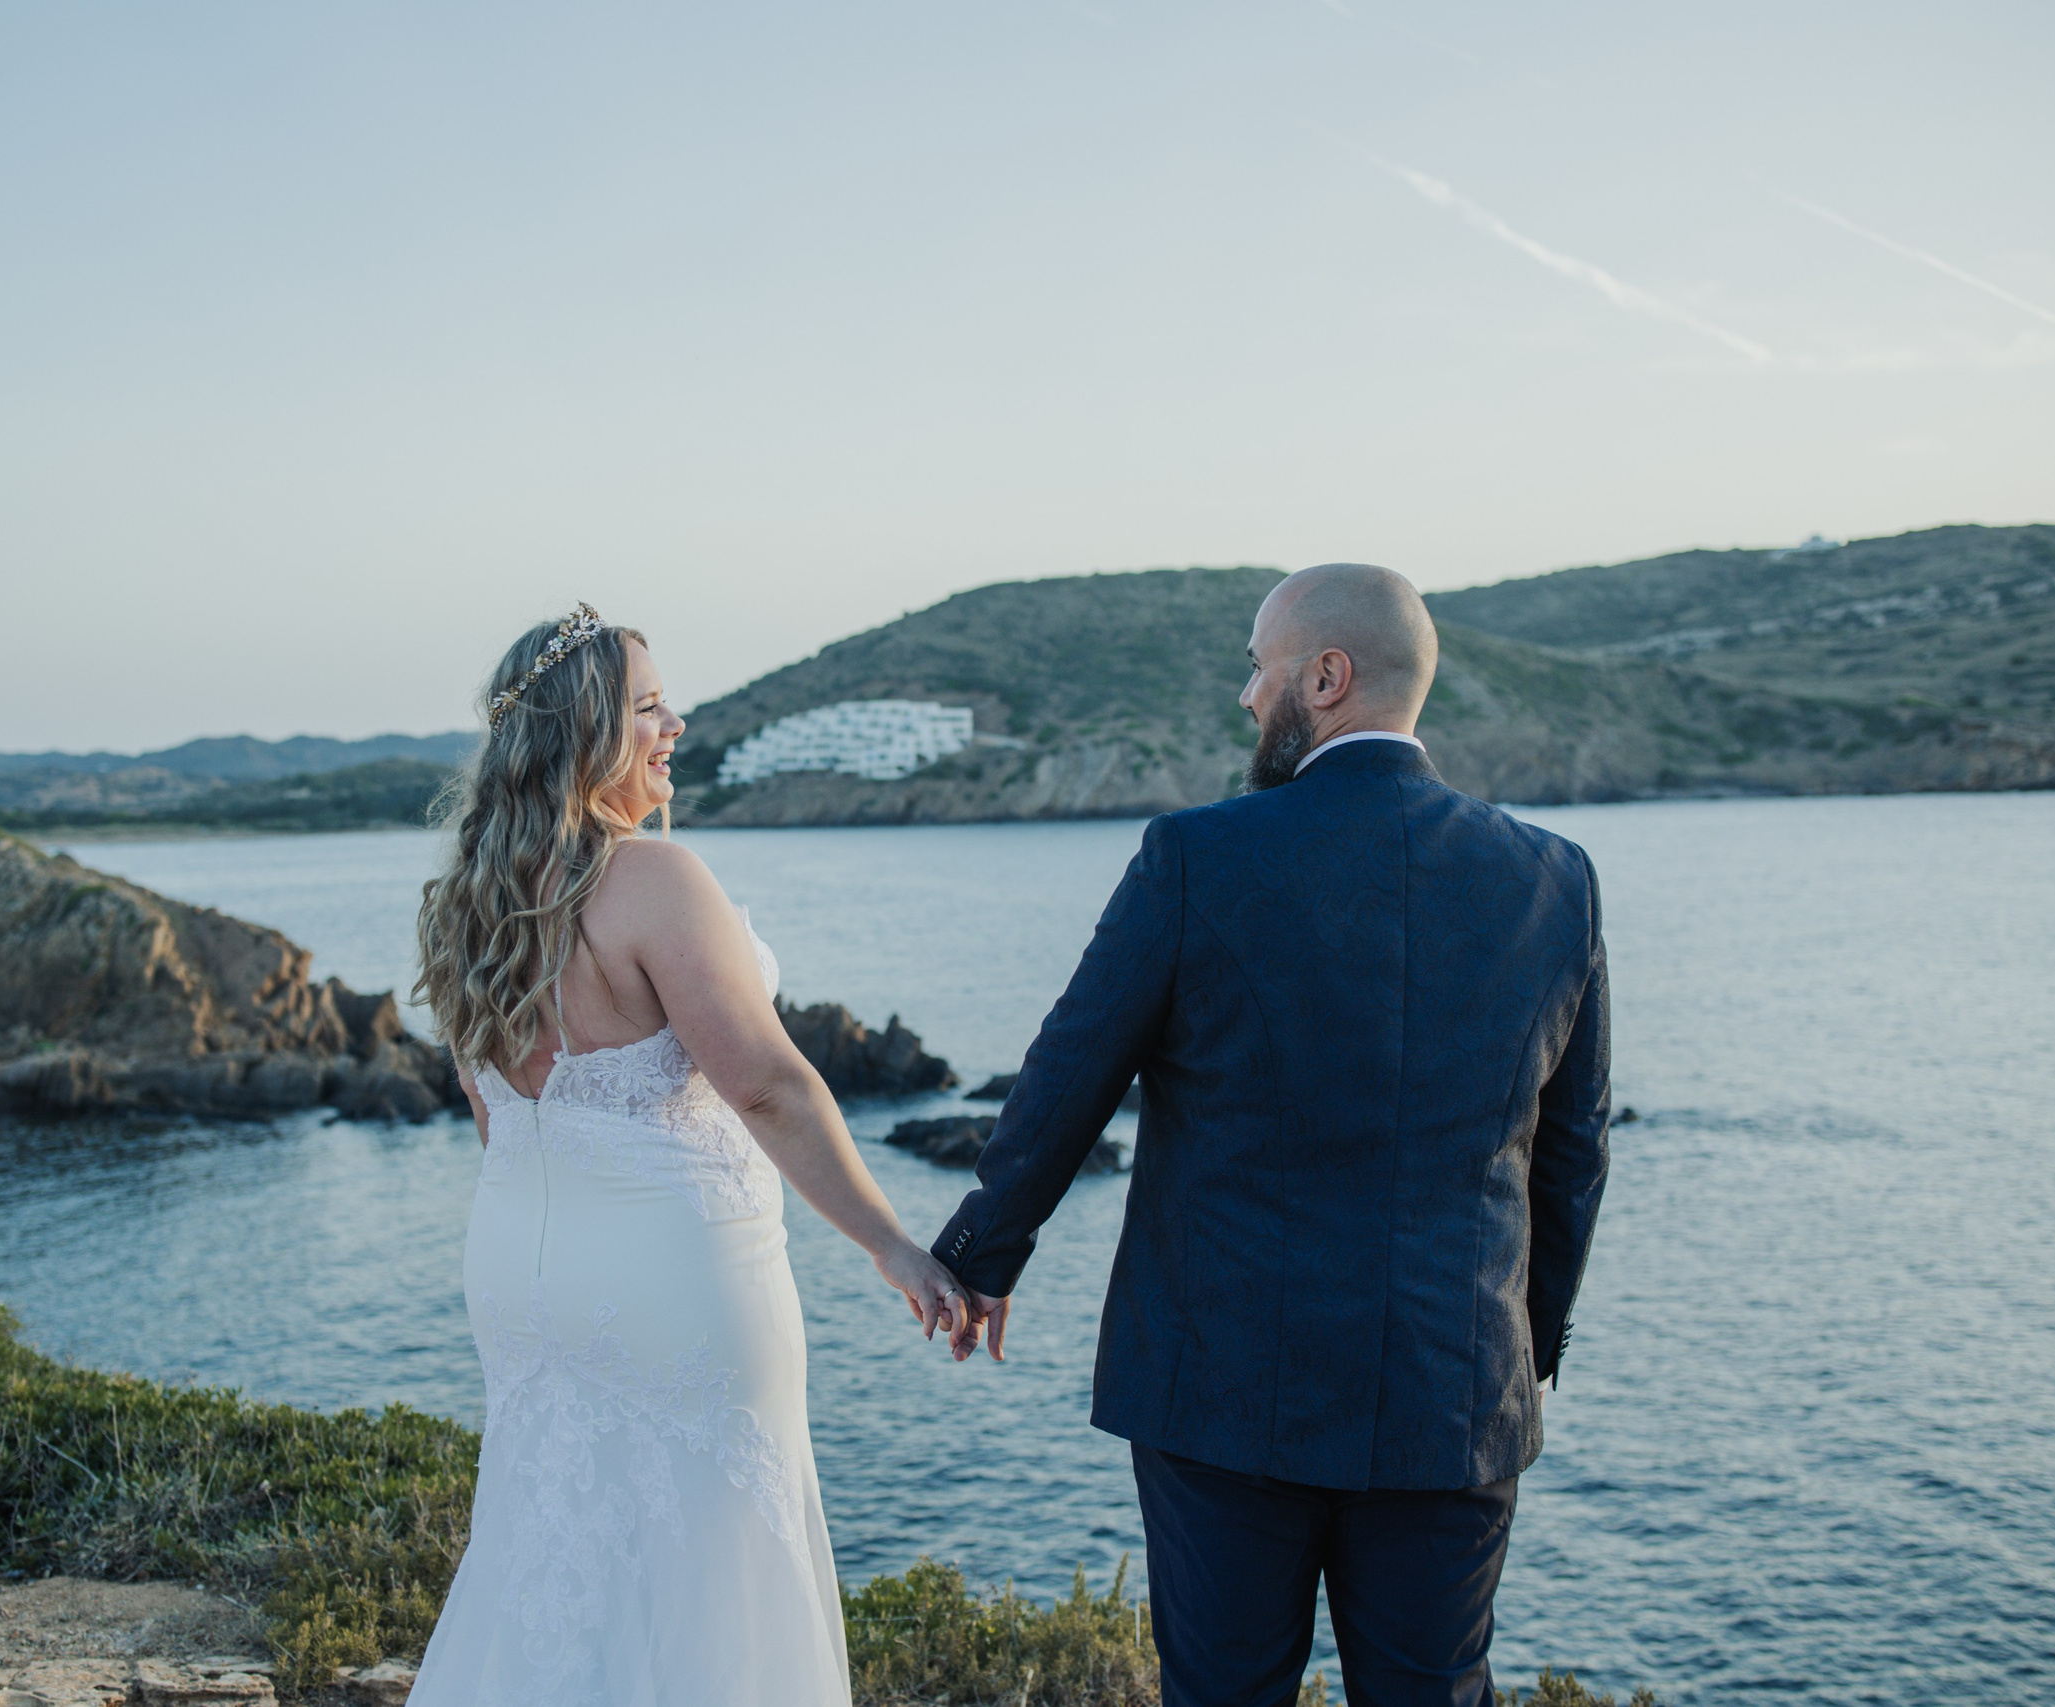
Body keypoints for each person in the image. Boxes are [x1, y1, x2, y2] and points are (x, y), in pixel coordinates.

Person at [932, 564, 1611, 1707]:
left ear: (1326, 677)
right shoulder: (1554, 879)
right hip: (1454, 1395)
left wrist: (980, 1256)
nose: (1248, 696)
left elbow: (1066, 1081)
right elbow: (1573, 1151)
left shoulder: (1195, 857)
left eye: (1259, 669)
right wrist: (1513, 1349)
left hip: (1222, 1391)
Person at [408, 603, 973, 1707]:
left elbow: (494, 1117)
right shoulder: (649, 879)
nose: (676, 725)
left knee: (551, 1553)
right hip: (673, 1282)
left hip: (521, 1284)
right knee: (709, 1573)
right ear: (586, 734)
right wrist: (893, 1245)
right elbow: (765, 1084)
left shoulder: (468, 904)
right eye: (650, 707)